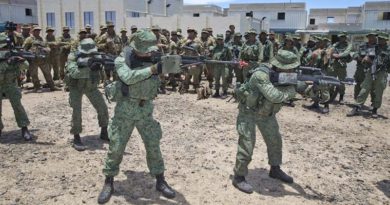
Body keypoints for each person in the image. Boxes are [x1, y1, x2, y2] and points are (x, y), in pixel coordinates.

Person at [97, 29, 175, 204]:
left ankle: (160, 180)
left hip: (145, 110)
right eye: (146, 49)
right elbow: (128, 77)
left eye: (151, 49)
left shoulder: (153, 57)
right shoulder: (121, 60)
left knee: (153, 144)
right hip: (125, 111)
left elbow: (168, 73)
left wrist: (168, 66)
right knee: (116, 146)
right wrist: (153, 69)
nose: (149, 52)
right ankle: (109, 181)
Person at [232, 50, 298, 194]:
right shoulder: (261, 74)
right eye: (290, 68)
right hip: (248, 112)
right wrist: (294, 90)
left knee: (275, 140)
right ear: (279, 65)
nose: (292, 70)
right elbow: (274, 96)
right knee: (247, 144)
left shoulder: (283, 75)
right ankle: (239, 177)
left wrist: (314, 89)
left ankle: (275, 169)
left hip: (266, 113)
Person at [64, 38, 109, 151]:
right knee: (77, 111)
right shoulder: (73, 56)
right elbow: (74, 72)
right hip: (76, 86)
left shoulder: (96, 55)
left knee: (102, 107)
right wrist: (89, 67)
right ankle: (76, 136)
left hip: (91, 85)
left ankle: (104, 131)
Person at [347, 32, 389, 118]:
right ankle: (357, 107)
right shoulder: (374, 47)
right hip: (371, 70)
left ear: (386, 40)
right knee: (364, 89)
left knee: (378, 91)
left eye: (382, 39)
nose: (380, 40)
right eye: (379, 39)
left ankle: (374, 109)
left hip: (382, 72)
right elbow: (367, 55)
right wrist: (366, 58)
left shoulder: (388, 50)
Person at [0, 33, 32, 140]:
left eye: (5, 47)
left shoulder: (12, 54)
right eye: (2, 47)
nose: (4, 49)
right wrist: (6, 63)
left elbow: (26, 65)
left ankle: (24, 128)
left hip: (11, 84)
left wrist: (20, 60)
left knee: (17, 106)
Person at [23, 26, 58, 91]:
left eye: (39, 30)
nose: (38, 32)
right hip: (33, 60)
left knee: (47, 73)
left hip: (42, 60)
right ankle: (37, 87)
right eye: (36, 30)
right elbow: (24, 49)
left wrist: (46, 49)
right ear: (33, 31)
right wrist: (29, 54)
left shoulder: (41, 39)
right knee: (34, 74)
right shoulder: (29, 39)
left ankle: (52, 86)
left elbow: (47, 47)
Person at [326, 32, 352, 104]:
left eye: (343, 37)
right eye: (340, 37)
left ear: (345, 37)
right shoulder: (336, 44)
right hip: (333, 64)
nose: (341, 38)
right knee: (331, 81)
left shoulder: (348, 45)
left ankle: (341, 97)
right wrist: (330, 53)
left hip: (341, 66)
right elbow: (329, 50)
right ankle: (330, 96)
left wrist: (338, 55)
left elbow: (346, 53)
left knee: (341, 82)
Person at [211, 34, 232, 98]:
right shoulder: (215, 48)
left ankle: (225, 92)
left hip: (224, 65)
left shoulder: (226, 48)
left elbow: (230, 57)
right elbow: (212, 55)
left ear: (223, 40)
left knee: (224, 79)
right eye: (218, 39)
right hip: (216, 65)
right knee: (216, 79)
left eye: (221, 39)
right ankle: (217, 92)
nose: (219, 41)